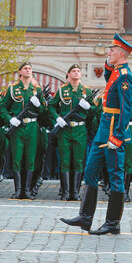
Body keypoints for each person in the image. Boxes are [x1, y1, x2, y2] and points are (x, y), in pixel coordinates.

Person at [61, 33, 132, 235]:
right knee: (90, 170)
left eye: (112, 51)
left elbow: (126, 109)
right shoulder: (116, 72)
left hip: (113, 129)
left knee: (115, 176)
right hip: (104, 127)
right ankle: (85, 217)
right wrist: (109, 61)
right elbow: (106, 74)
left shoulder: (126, 76)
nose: (109, 53)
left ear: (121, 54)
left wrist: (117, 136)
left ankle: (113, 223)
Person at [0, 61, 50, 199]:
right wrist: (10, 119)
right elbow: (2, 108)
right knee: (17, 158)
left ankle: (27, 190)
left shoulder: (37, 90)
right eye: (25, 68)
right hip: (18, 127)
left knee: (30, 158)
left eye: (30, 69)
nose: (28, 71)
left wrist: (38, 104)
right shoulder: (12, 89)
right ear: (20, 72)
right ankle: (18, 190)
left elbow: (44, 111)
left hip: (32, 127)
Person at [48, 65, 93, 201]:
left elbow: (95, 111)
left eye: (78, 71)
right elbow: (51, 106)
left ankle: (75, 192)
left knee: (79, 161)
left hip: (80, 129)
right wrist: (57, 118)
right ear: (68, 74)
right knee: (65, 160)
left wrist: (89, 107)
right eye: (73, 71)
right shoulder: (62, 90)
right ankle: (66, 192)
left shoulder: (86, 91)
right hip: (65, 129)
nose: (76, 73)